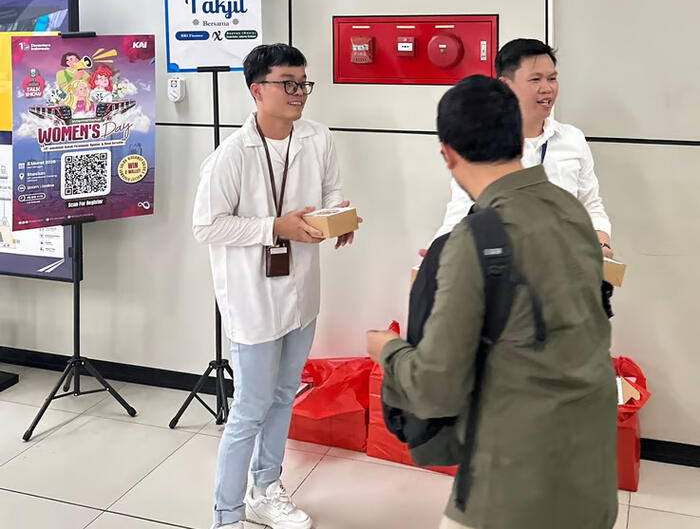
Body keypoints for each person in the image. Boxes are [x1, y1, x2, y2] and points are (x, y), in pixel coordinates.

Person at [368, 75, 618, 529]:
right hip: (591, 475)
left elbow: (436, 388)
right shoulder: (571, 212)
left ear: (448, 154)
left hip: (513, 488)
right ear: (519, 141)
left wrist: (386, 348)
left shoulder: (478, 238)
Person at [193, 44, 359, 529]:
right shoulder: (230, 156)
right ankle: (226, 514)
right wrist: (274, 227)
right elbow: (206, 226)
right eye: (288, 83)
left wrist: (338, 218)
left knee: (285, 394)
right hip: (253, 297)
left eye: (303, 83)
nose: (299, 92)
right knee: (249, 407)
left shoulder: (317, 136)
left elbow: (330, 192)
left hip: (302, 291)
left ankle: (266, 488)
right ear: (256, 90)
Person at [428, 38, 613, 259]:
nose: (547, 88)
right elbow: (461, 213)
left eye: (552, 79)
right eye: (535, 79)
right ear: (505, 86)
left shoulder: (572, 139)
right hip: (505, 265)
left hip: (564, 264)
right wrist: (438, 254)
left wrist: (602, 244)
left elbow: (590, 204)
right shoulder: (484, 142)